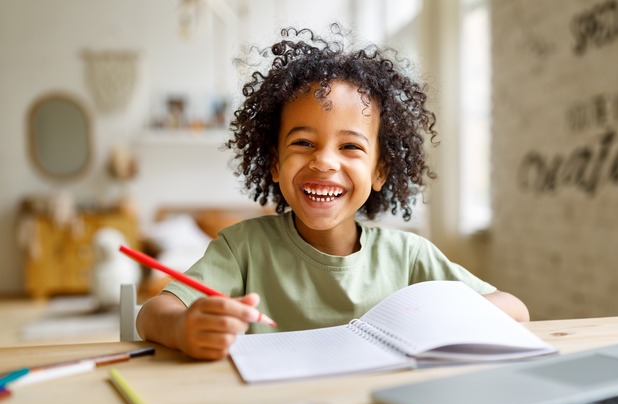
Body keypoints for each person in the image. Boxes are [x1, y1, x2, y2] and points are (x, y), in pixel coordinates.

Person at [136, 24, 529, 360]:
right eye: (304, 143)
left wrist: (435, 318)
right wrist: (183, 327)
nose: (324, 162)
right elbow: (152, 313)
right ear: (274, 163)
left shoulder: (410, 256)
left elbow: (515, 310)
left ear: (380, 171)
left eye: (350, 147)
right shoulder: (243, 249)